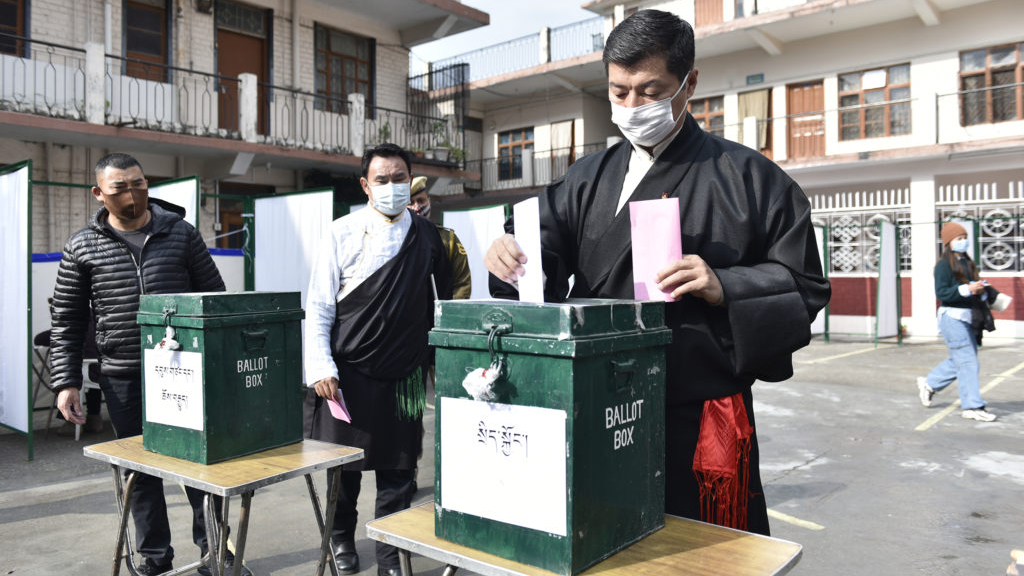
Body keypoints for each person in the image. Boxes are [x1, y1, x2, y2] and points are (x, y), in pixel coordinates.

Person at [484, 10, 830, 535]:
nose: (631, 107)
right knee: (604, 539)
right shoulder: (586, 177)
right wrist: (509, 256)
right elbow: (540, 255)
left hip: (697, 408)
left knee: (702, 549)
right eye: (619, 92)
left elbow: (804, 285)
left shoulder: (752, 179)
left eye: (650, 91)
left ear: (689, 82)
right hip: (598, 400)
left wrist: (725, 286)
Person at [48, 153, 249, 576]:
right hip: (122, 377)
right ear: (99, 194)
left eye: (138, 183)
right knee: (140, 474)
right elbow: (67, 319)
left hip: (184, 373)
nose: (131, 193)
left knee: (200, 467)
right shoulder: (82, 245)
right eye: (119, 187)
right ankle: (155, 560)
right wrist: (65, 381)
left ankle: (216, 554)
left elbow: (214, 298)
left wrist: (220, 366)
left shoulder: (181, 234)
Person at [304, 143, 453, 576]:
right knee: (345, 470)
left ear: (412, 181)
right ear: (366, 186)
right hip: (347, 375)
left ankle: (390, 552)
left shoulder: (430, 237)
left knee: (400, 470)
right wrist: (320, 367)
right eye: (382, 180)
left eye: (399, 178)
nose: (392, 187)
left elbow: (446, 304)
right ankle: (341, 541)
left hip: (406, 375)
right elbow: (320, 307)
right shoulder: (341, 232)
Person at [916, 222, 997, 422]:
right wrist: (966, 290)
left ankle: (930, 384)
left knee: (961, 358)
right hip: (952, 318)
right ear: (949, 242)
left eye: (964, 238)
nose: (963, 242)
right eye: (959, 239)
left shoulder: (967, 262)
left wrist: (981, 290)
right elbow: (942, 292)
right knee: (968, 360)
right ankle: (972, 406)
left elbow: (970, 288)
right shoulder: (944, 265)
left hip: (967, 317)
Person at [408, 176, 472, 299]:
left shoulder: (449, 240)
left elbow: (462, 284)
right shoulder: (395, 240)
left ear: (429, 202)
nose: (417, 208)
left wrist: (448, 315)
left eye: (421, 201)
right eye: (410, 203)